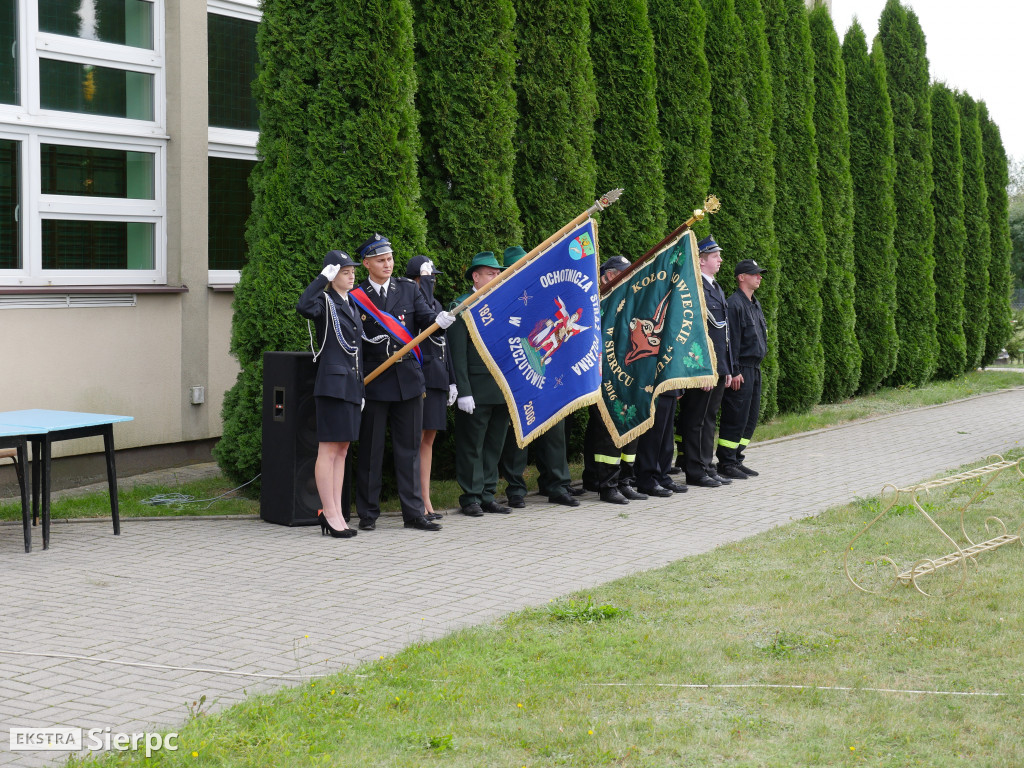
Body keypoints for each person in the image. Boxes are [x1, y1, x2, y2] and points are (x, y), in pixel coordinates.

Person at [352, 234, 456, 531]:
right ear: (367, 263)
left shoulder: (408, 289)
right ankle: (368, 514)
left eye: (390, 259)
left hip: (408, 380)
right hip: (374, 381)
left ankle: (413, 513)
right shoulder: (358, 296)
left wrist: (440, 322)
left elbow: (425, 320)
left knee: (408, 449)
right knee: (371, 452)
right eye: (381, 260)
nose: (388, 264)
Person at [496, 245, 579, 509]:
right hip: (515, 372)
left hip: (547, 373)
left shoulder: (542, 291)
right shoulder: (501, 296)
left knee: (555, 429)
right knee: (518, 432)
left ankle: (557, 484)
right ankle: (516, 489)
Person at [296, 250, 363, 539]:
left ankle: (336, 511)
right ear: (332, 274)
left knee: (343, 449)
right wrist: (321, 279)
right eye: (345, 271)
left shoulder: (351, 302)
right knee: (328, 448)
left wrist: (361, 388)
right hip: (332, 385)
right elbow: (303, 306)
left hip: (351, 384)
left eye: (352, 271)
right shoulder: (324, 301)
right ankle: (329, 512)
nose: (351, 275)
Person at [450, 251, 515, 517]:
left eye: (498, 273)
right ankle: (471, 497)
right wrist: (463, 391)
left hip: (500, 388)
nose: (496, 277)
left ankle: (488, 494)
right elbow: (457, 355)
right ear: (475, 277)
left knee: (493, 445)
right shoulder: (462, 307)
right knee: (472, 446)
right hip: (475, 390)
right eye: (490, 273)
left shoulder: (503, 305)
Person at [581, 255, 649, 505]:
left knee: (631, 424)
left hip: (628, 374)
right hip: (603, 376)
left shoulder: (629, 299)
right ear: (609, 275)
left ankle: (624, 481)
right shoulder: (595, 300)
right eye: (623, 272)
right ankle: (606, 485)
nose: (629, 276)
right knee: (607, 430)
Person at [676, 236, 734, 488]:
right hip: (703, 367)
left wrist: (726, 368)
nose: (720, 260)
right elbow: (695, 333)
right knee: (695, 419)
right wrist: (704, 370)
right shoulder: (695, 287)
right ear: (700, 260)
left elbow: (724, 334)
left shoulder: (716, 287)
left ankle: (706, 464)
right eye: (715, 256)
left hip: (718, 367)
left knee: (709, 419)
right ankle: (694, 470)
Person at [405, 254, 458, 520]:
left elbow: (443, 345)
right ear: (415, 280)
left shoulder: (435, 303)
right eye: (428, 278)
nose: (432, 283)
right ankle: (418, 500)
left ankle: (425, 497)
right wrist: (421, 285)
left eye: (433, 279)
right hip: (420, 376)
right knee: (414, 441)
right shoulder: (411, 303)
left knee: (429, 440)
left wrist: (451, 380)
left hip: (436, 377)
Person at [716, 258, 768, 480]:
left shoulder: (754, 303)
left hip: (754, 369)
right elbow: (731, 340)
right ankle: (726, 462)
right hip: (741, 370)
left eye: (760, 274)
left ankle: (737, 458)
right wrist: (734, 370)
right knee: (735, 416)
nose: (759, 277)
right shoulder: (734, 304)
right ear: (741, 277)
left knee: (749, 417)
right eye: (755, 273)